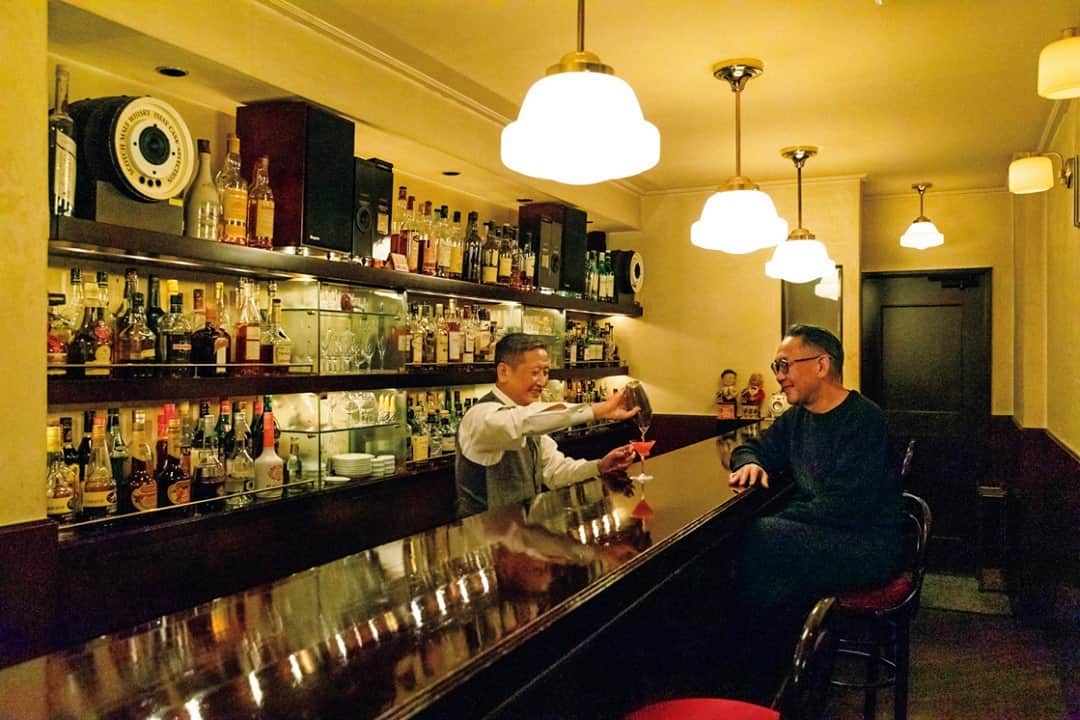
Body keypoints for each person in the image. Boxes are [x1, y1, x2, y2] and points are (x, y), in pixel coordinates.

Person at [727, 324, 902, 684]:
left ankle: (760, 678)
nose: (779, 376)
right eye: (776, 367)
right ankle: (784, 672)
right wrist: (749, 463)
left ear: (821, 365)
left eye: (784, 365)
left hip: (869, 545)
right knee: (765, 567)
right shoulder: (797, 419)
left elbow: (846, 505)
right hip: (826, 535)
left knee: (760, 541)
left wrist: (780, 520)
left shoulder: (864, 419)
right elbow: (752, 447)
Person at [456, 333, 640, 518]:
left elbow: (555, 471)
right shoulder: (479, 416)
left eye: (545, 373)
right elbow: (518, 421)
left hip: (525, 529)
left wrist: (600, 466)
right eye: (535, 372)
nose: (543, 382)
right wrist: (598, 410)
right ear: (503, 372)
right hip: (483, 533)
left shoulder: (531, 417)